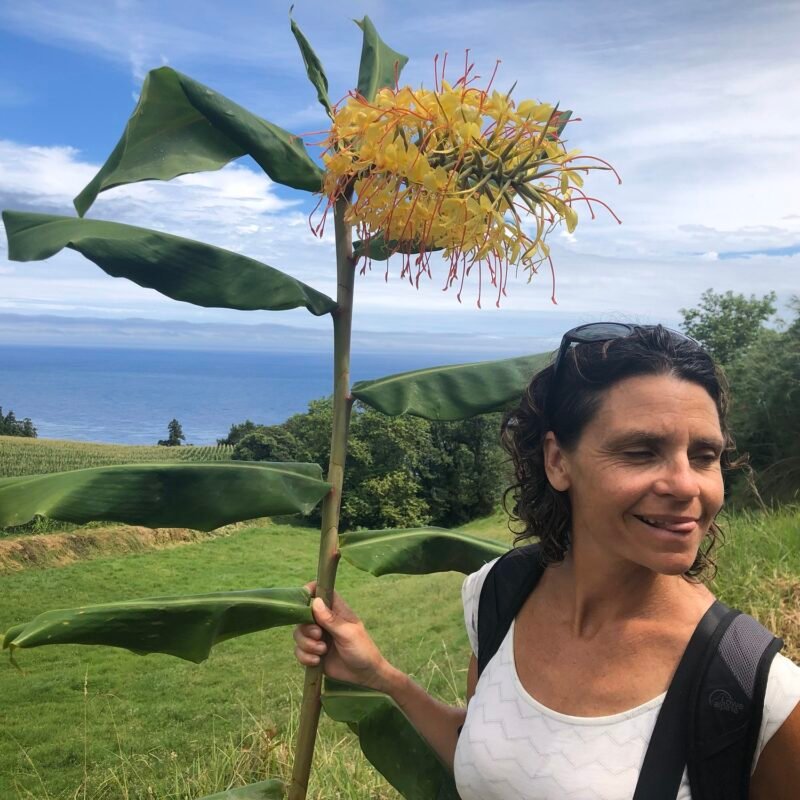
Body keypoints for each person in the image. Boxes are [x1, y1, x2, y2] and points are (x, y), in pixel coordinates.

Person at [293, 323, 800, 799]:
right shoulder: (499, 592)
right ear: (558, 461)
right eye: (642, 451)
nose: (687, 484)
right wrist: (381, 675)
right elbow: (487, 762)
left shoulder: (760, 692)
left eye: (704, 455)